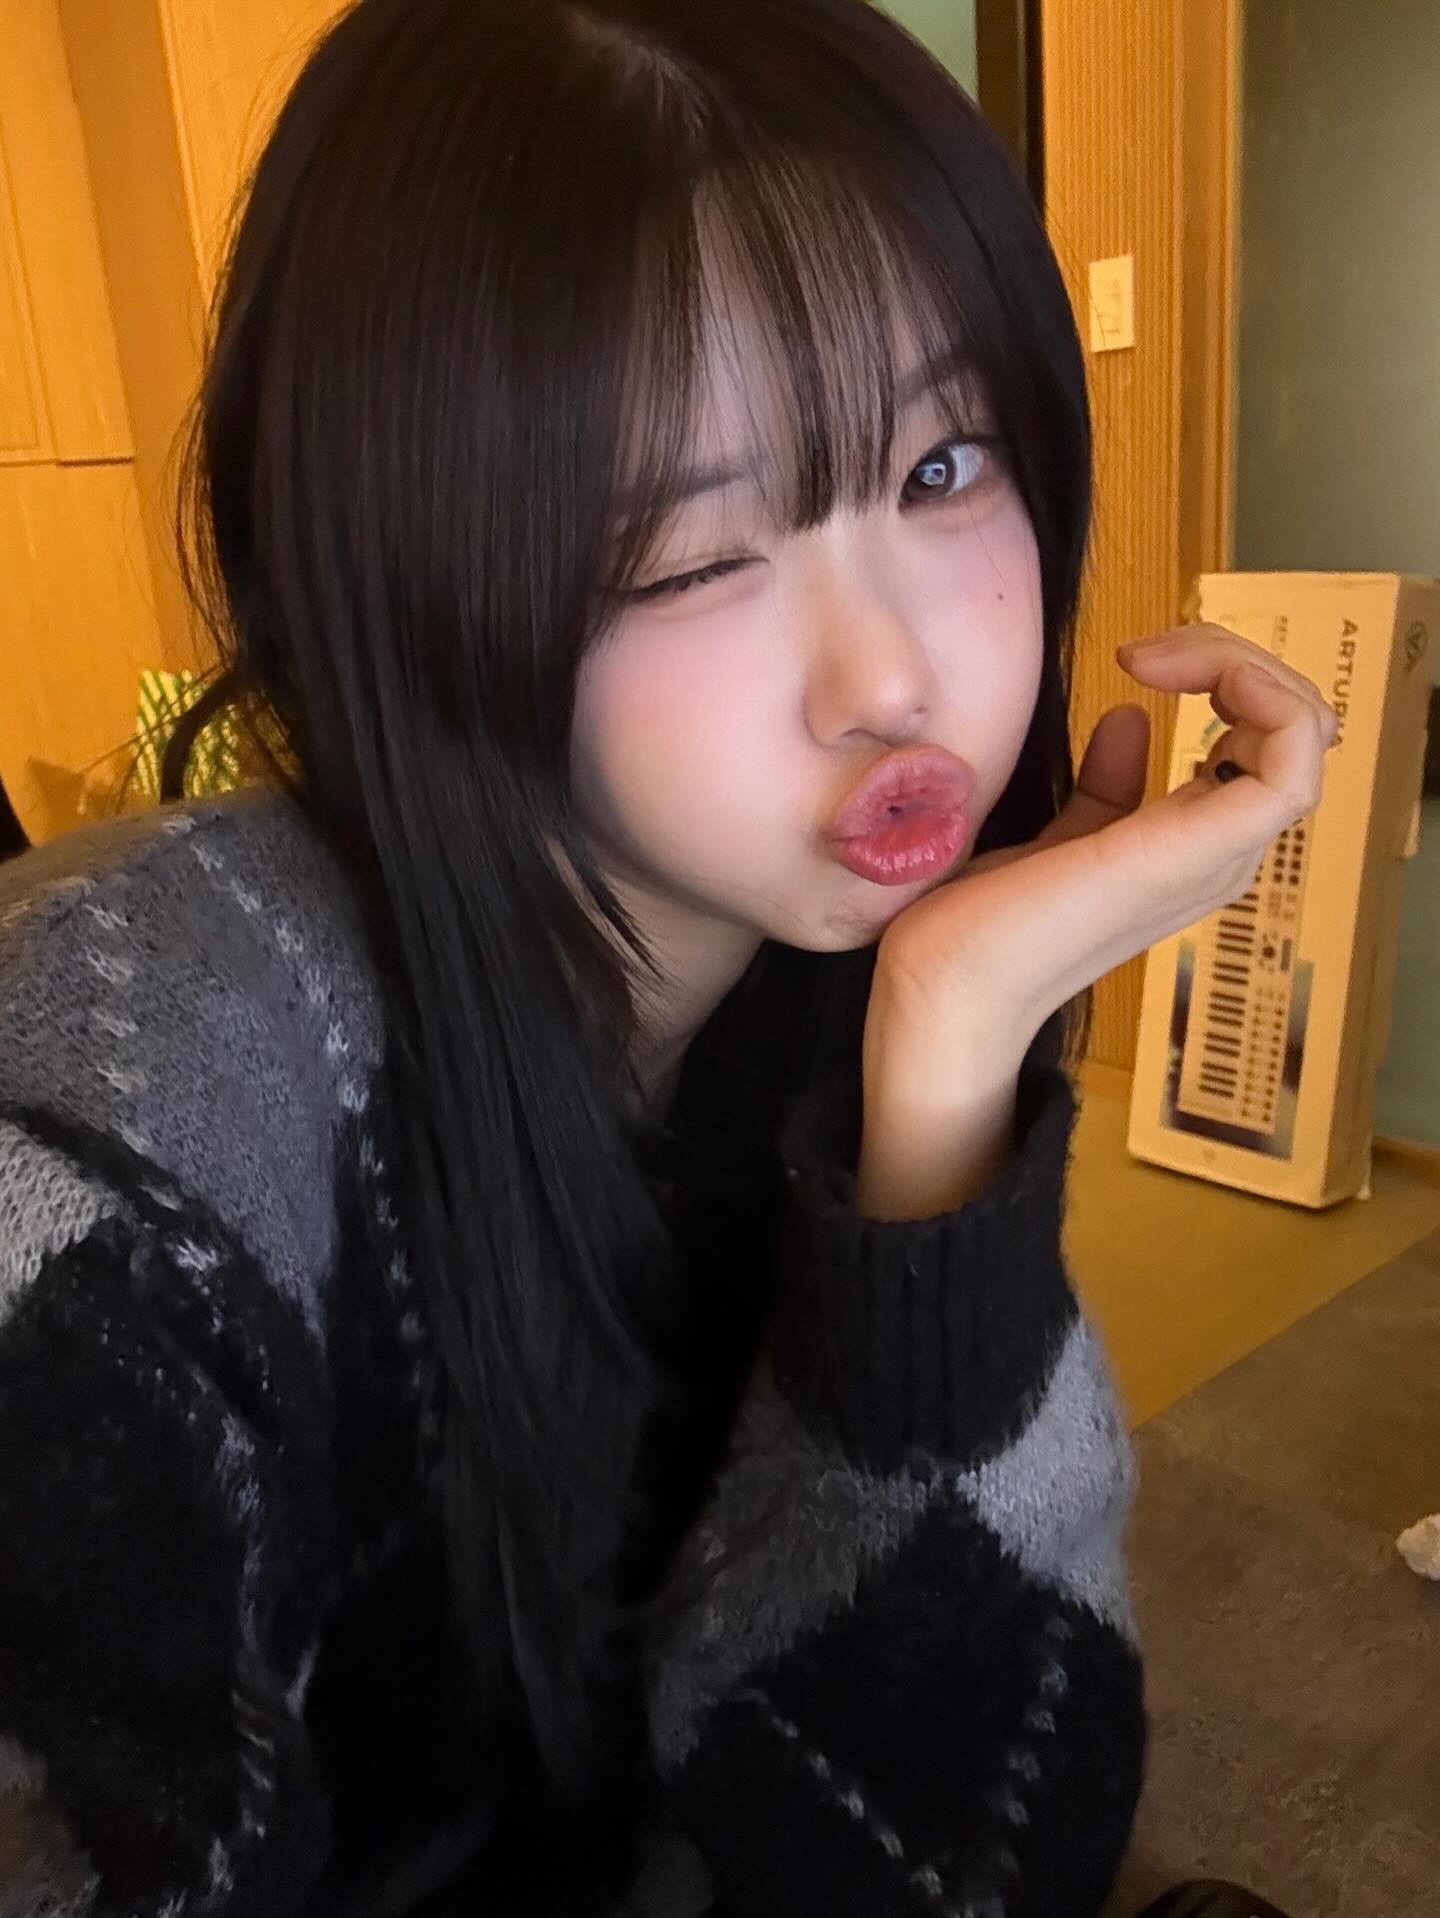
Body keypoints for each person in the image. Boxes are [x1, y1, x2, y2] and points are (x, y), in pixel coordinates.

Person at [0, 2, 1337, 1913]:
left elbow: (947, 1855)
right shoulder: (105, 1119)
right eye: (697, 555)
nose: (893, 679)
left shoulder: (813, 975)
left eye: (942, 466)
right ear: (418, 580)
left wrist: (948, 1078)